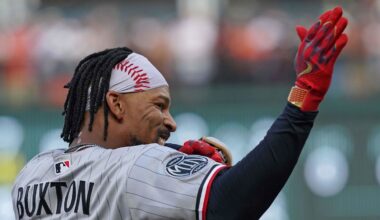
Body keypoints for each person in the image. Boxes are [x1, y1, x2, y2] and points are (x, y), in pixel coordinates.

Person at [12, 6, 348, 220]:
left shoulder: (31, 174)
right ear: (116, 104)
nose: (170, 122)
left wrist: (171, 156)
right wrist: (304, 98)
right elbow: (234, 203)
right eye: (158, 105)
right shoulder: (136, 167)